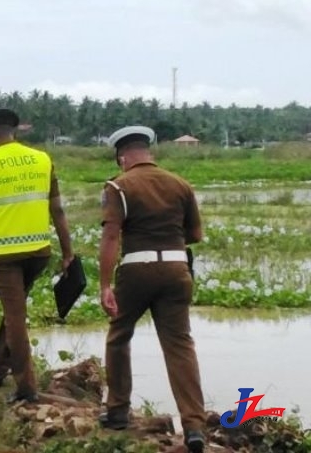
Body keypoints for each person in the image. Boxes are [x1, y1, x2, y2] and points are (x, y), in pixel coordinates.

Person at [98, 125, 206, 452]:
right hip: (177, 269)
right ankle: (194, 426)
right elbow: (195, 236)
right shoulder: (180, 184)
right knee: (180, 345)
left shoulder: (118, 186)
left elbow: (112, 237)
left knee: (120, 335)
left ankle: (117, 410)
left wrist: (105, 284)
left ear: (122, 157)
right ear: (149, 152)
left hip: (136, 269)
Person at [0, 108, 74, 403]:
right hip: (38, 251)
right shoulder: (42, 159)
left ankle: (26, 387)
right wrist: (68, 251)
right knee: (14, 310)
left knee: (16, 317)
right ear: (15, 132)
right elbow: (57, 209)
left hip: (4, 254)